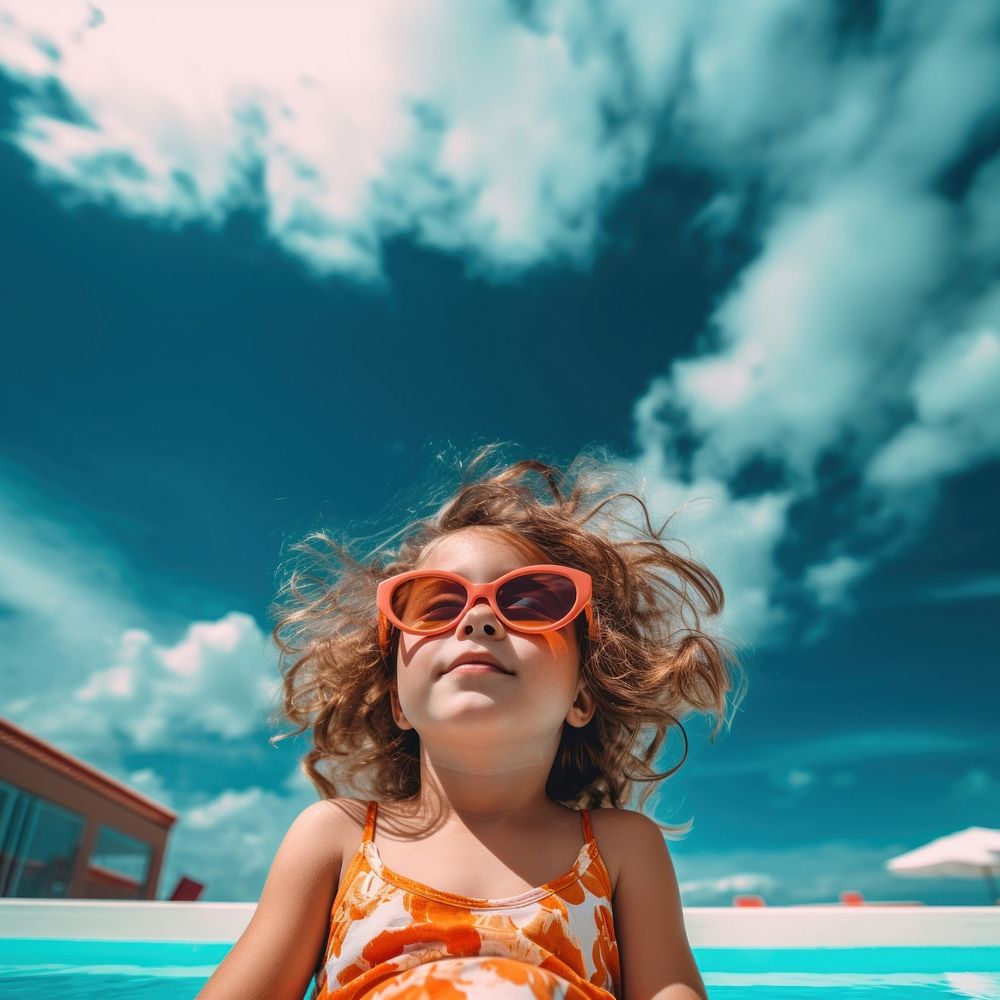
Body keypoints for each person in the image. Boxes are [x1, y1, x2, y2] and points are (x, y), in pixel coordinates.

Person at [198, 449, 744, 999]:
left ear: (583, 696)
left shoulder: (621, 849)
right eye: (437, 607)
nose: (479, 617)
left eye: (532, 602)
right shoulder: (334, 838)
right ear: (397, 701)